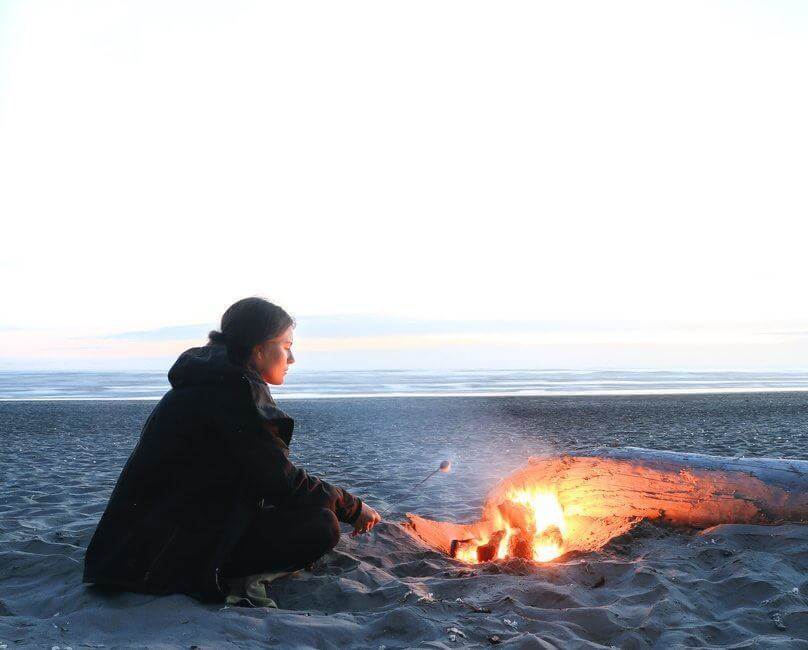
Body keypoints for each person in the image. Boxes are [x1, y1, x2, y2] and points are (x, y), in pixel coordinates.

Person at [83, 296, 381, 604]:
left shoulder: (208, 380)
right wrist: (352, 507)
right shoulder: (236, 393)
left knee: (295, 508)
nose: (291, 358)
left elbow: (258, 475)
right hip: (156, 559)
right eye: (286, 345)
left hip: (128, 549)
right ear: (258, 348)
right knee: (321, 525)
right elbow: (282, 481)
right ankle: (221, 574)